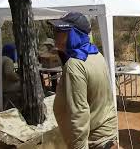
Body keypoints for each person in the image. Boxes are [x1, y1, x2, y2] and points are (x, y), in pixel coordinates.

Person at [48, 12, 118, 149]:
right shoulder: (96, 55)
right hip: (107, 133)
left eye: (61, 31)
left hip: (94, 140)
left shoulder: (75, 65)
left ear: (74, 34)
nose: (56, 34)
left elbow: (79, 113)